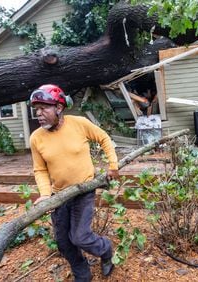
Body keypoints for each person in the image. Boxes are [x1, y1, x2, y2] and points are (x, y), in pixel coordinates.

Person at [29, 84, 119, 281]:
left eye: (44, 108)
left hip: (83, 191)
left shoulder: (79, 123)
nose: (39, 113)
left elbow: (103, 137)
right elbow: (40, 169)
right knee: (64, 243)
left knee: (80, 237)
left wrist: (113, 165)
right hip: (59, 195)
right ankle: (82, 272)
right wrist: (45, 194)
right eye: (36, 109)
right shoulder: (36, 138)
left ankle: (105, 250)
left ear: (59, 108)